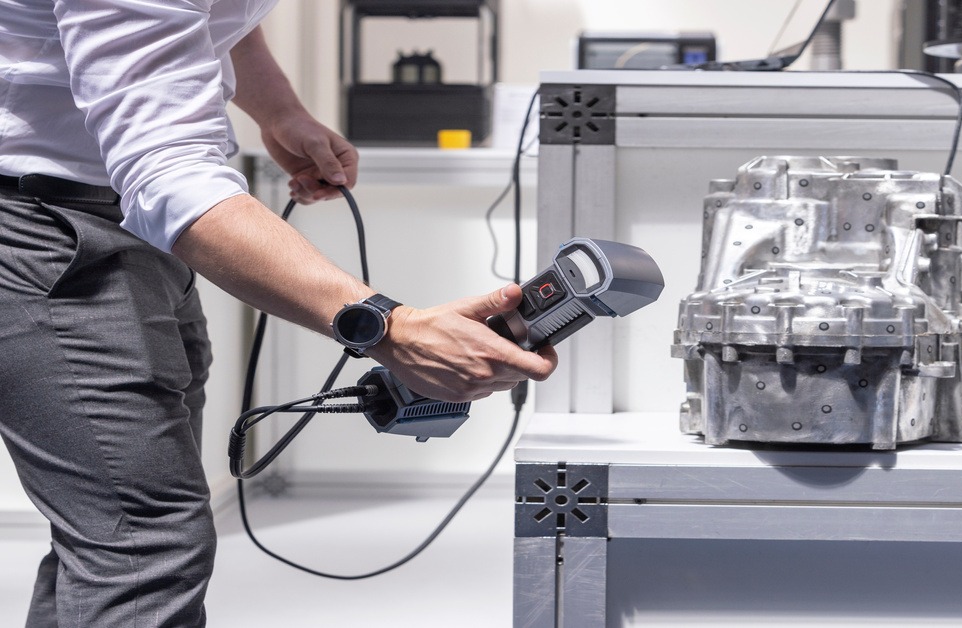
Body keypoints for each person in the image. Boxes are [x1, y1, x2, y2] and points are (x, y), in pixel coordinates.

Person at [0, 1, 557, 625]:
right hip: (45, 222)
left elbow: (223, 14)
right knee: (141, 544)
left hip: (130, 221)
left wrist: (280, 112)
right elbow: (167, 175)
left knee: (110, 526)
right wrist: (386, 327)